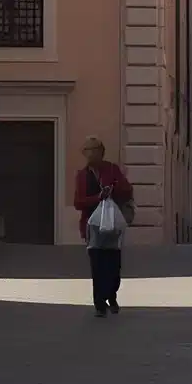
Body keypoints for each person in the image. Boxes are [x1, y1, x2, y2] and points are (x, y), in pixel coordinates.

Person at [73, 136, 133, 318]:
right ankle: (100, 304)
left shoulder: (112, 170)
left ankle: (111, 296)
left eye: (95, 150)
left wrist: (113, 190)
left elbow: (127, 190)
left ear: (101, 152)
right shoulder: (82, 175)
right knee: (97, 266)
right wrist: (97, 197)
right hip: (92, 227)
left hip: (112, 225)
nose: (92, 154)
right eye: (88, 151)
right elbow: (78, 202)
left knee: (113, 265)